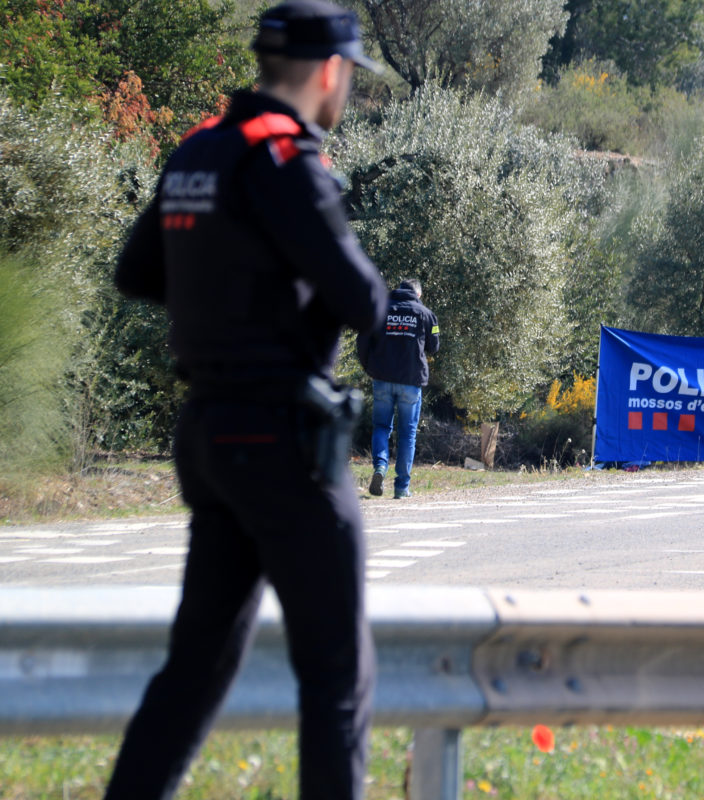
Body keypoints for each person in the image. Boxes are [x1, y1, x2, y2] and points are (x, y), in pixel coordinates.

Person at [106, 2, 387, 798]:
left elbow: (137, 274)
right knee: (338, 677)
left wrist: (226, 304)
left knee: (194, 671)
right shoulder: (287, 160)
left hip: (209, 434)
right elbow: (363, 302)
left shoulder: (200, 150)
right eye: (350, 81)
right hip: (284, 444)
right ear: (330, 72)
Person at [357, 279, 440, 499]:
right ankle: (402, 487)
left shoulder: (380, 309)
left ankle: (380, 468)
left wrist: (369, 367)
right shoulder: (426, 314)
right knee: (407, 434)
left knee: (382, 427)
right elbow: (435, 345)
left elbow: (362, 340)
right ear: (418, 295)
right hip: (411, 382)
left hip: (382, 379)